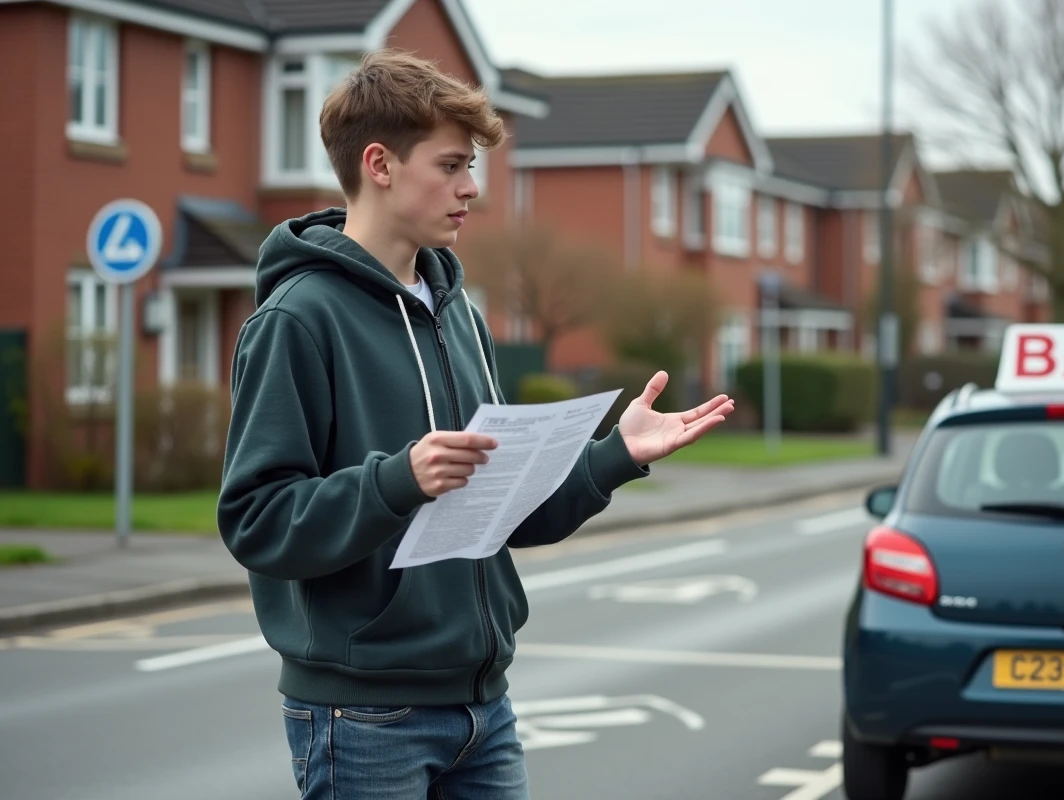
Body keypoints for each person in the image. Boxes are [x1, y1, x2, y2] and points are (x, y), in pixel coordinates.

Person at [216, 49, 734, 799]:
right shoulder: (297, 321)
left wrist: (613, 455)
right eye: (453, 165)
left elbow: (502, 512)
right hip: (364, 715)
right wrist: (400, 481)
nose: (471, 189)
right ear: (380, 165)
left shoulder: (458, 313)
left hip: (483, 709)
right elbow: (257, 522)